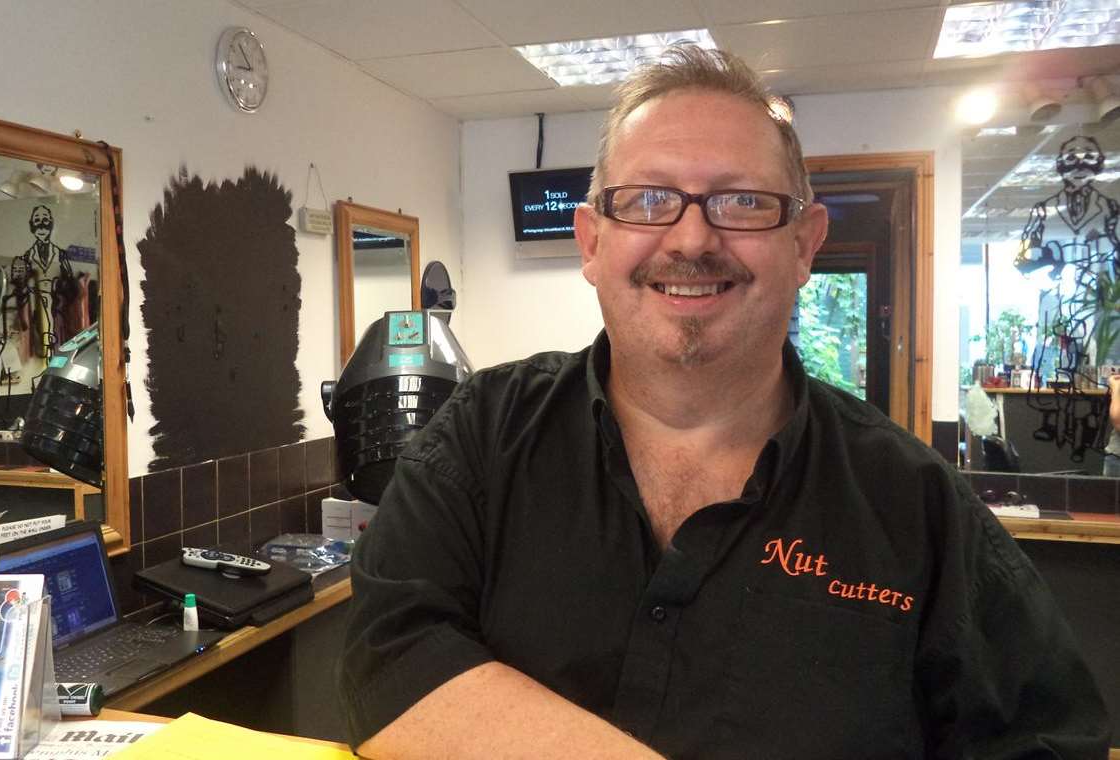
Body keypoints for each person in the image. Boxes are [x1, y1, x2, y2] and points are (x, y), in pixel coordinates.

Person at [338, 46, 1110, 759]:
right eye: (646, 200)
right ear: (590, 242)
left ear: (805, 243)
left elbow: (1042, 744)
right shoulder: (482, 434)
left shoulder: (916, 505)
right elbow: (390, 658)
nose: (690, 239)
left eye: (741, 202)